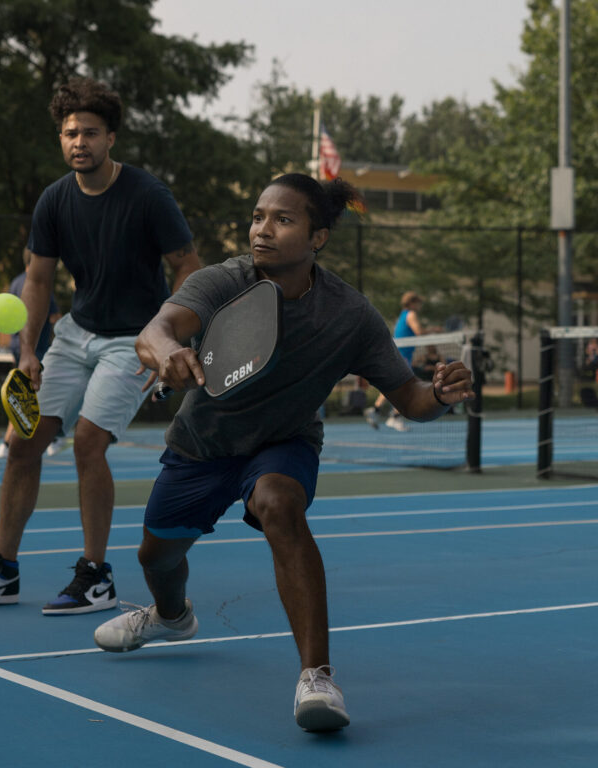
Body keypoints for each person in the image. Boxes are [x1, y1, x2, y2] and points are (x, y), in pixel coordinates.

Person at [92, 173, 474, 732]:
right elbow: (157, 328)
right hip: (203, 446)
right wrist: (168, 349)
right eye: (257, 216)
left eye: (282, 219)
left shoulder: (350, 316)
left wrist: (440, 395)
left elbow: (411, 399)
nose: (262, 230)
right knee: (157, 557)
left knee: (279, 505)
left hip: (283, 442)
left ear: (317, 238)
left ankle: (316, 678)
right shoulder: (225, 280)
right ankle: (172, 617)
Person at [0, 77, 201, 614]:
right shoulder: (54, 200)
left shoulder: (149, 196)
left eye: (90, 133)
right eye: (69, 133)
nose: (79, 142)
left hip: (133, 339)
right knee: (22, 442)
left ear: (111, 139)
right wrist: (28, 349)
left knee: (87, 443)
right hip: (75, 334)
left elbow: (188, 266)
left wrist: (167, 336)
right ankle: (2, 569)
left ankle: (95, 576)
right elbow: (37, 280)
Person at [0, 247, 61, 459]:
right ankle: (17, 441)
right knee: (36, 393)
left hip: (17, 346)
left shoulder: (14, 283)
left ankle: (10, 442)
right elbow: (54, 317)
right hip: (34, 349)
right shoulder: (39, 284)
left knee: (26, 393)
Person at [364, 290, 429, 432]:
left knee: (394, 385)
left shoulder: (402, 315)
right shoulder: (411, 314)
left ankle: (377, 411)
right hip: (402, 355)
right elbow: (419, 332)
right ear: (412, 303)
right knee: (406, 387)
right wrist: (435, 331)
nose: (420, 306)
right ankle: (395, 416)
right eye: (418, 303)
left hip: (401, 354)